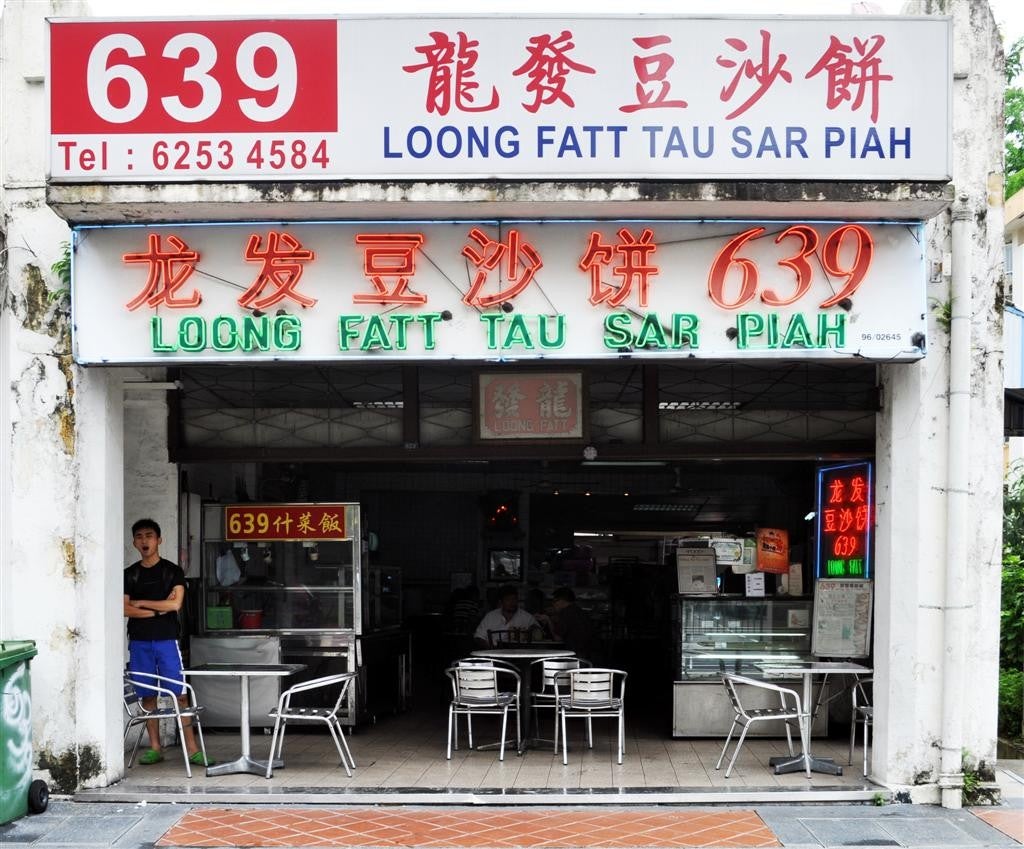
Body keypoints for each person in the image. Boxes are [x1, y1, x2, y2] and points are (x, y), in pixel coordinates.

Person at [123, 518, 210, 767]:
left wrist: (142, 603)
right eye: (139, 536)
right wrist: (157, 610)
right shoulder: (130, 574)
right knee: (147, 696)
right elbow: (124, 608)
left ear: (159, 539)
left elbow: (175, 604)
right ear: (134, 542)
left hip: (167, 641)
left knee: (179, 694)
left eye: (149, 535)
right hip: (139, 641)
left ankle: (192, 749)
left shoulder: (172, 571)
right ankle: (155, 747)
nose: (144, 540)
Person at [473, 585, 541, 647]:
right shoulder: (490, 616)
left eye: (514, 599)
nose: (512, 602)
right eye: (508, 599)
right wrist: (490, 649)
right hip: (493, 654)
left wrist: (533, 630)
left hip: (518, 656)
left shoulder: (527, 617)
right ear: (501, 602)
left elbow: (539, 633)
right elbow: (478, 637)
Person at [550, 586, 597, 661]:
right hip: (589, 653)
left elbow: (557, 638)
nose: (553, 604)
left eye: (554, 601)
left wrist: (548, 620)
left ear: (562, 601)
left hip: (576, 655)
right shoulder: (579, 611)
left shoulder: (565, 613)